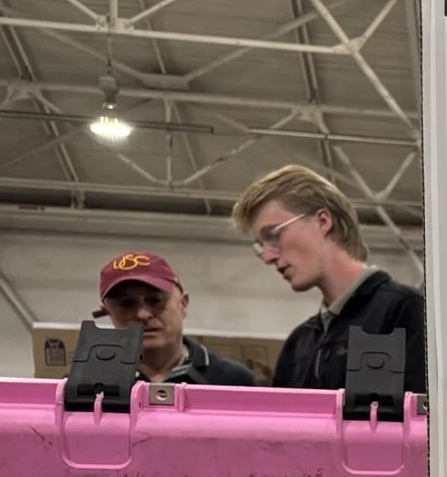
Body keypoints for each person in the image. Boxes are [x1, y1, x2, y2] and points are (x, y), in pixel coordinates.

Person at [231, 165, 427, 394]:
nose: (267, 256)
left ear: (323, 221)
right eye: (260, 246)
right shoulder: (298, 344)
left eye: (274, 235)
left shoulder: (404, 312)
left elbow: (426, 424)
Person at [95, 252, 253, 386]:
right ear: (108, 312)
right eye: (127, 304)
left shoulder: (233, 381)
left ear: (183, 304)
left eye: (156, 300)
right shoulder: (86, 385)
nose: (143, 314)